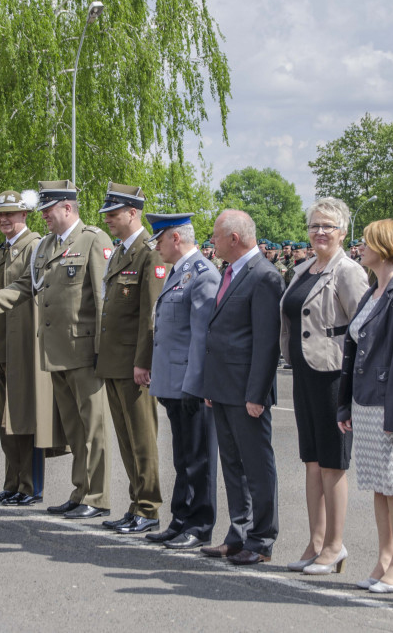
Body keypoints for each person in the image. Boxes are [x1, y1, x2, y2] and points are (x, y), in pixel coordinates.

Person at [0, 180, 114, 520]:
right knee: (75, 428)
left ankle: (96, 496)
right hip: (56, 352)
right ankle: (79, 491)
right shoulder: (48, 247)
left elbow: (102, 302)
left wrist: (105, 351)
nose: (44, 217)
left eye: (48, 211)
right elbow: (26, 286)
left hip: (85, 352)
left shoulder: (93, 240)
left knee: (93, 428)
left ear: (67, 208)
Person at [280, 197, 369, 575]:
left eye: (328, 226)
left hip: (333, 374)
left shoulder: (347, 271)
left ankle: (335, 544)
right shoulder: (304, 269)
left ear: (343, 232)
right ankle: (316, 540)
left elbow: (364, 327)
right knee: (312, 460)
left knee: (333, 462)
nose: (319, 232)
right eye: (315, 225)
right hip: (304, 373)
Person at [336, 219, 393, 593]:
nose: (360, 247)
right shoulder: (373, 291)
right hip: (364, 401)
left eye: (366, 242)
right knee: (379, 487)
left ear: (384, 247)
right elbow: (353, 352)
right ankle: (384, 559)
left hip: (389, 404)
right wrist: (345, 405)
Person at [199, 210, 284, 566]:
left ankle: (261, 539)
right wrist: (210, 384)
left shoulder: (264, 275)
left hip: (246, 391)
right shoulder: (230, 272)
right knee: (232, 464)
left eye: (216, 236)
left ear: (234, 238)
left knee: (256, 466)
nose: (212, 242)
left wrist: (256, 394)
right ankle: (238, 534)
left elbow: (266, 342)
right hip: (223, 387)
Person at [0, 189, 64, 507]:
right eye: (0, 215)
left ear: (24, 216)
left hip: (26, 344)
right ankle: (12, 482)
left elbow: (33, 291)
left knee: (25, 416)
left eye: (9, 214)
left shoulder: (35, 247)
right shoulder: (3, 250)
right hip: (2, 342)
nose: (3, 219)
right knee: (6, 417)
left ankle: (30, 486)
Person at [146, 213, 220, 549]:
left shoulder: (202, 275)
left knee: (199, 457)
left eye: (159, 239)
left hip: (191, 384)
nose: (157, 246)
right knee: (182, 456)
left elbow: (203, 338)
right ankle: (180, 518)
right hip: (174, 382)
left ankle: (200, 524)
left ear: (176, 238)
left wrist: (196, 384)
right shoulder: (180, 272)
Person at [97, 183, 166, 534]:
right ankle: (135, 502)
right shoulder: (120, 251)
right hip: (113, 362)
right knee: (126, 439)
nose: (108, 219)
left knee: (142, 438)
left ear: (133, 213)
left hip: (133, 365)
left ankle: (149, 508)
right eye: (106, 214)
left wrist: (144, 362)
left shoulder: (148, 253)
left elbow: (150, 316)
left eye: (114, 213)